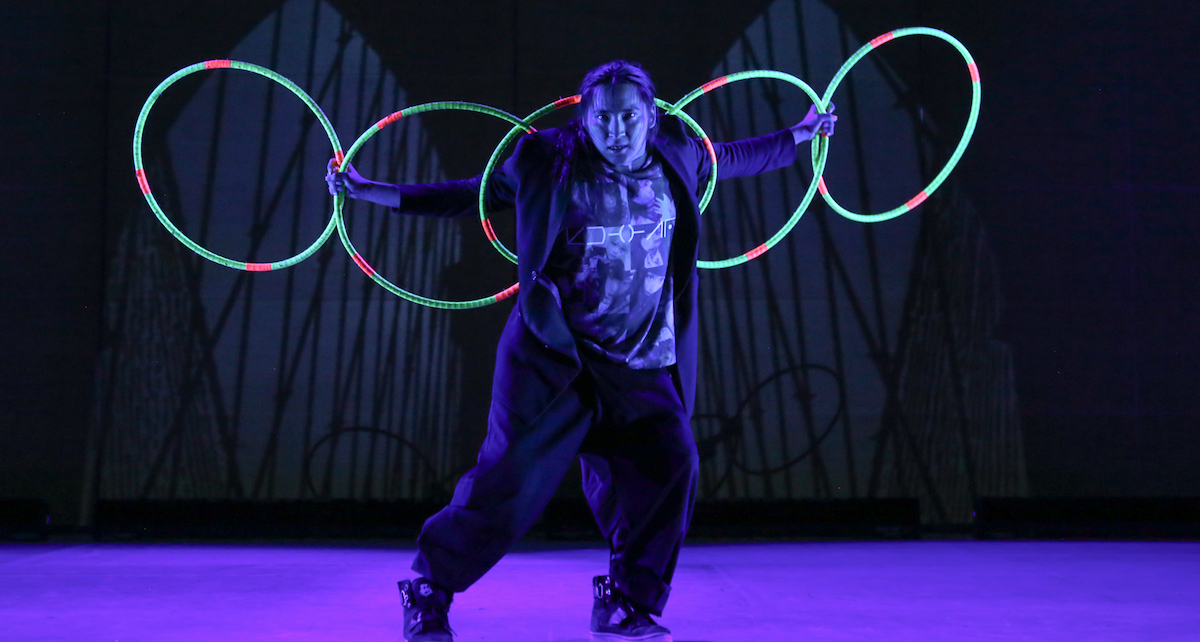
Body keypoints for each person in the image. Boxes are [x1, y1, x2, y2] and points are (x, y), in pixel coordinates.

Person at [326, 60, 836, 642]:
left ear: (651, 114)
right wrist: (372, 192)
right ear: (584, 116)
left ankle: (627, 600)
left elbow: (737, 157)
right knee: (509, 483)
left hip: (642, 362)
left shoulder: (680, 152)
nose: (616, 129)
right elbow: (473, 194)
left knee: (672, 467)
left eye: (628, 116)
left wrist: (800, 135)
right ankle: (429, 590)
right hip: (555, 359)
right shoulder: (546, 158)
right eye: (602, 117)